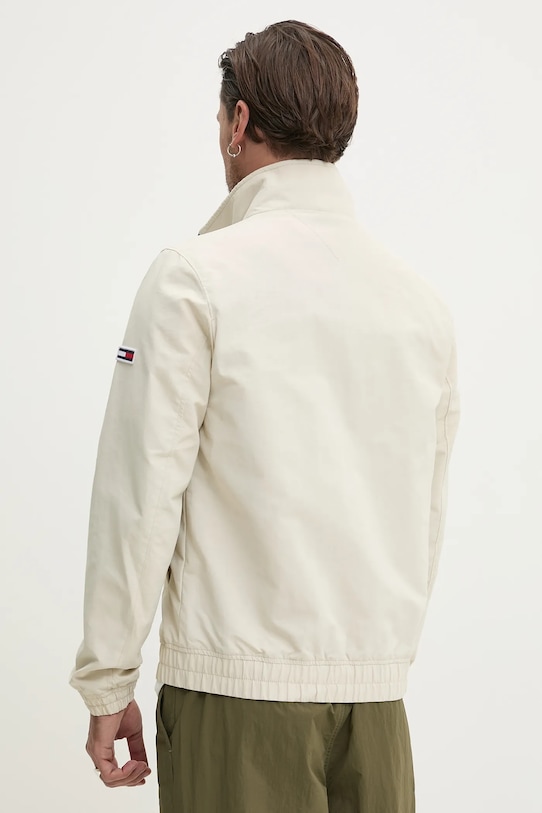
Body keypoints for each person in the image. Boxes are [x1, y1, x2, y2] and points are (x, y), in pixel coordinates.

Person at [70, 19, 461, 813]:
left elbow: (140, 495)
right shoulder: (420, 306)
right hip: (377, 709)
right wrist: (376, 659)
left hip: (235, 697)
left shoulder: (194, 279)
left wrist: (108, 678)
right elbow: (426, 512)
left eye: (220, 118)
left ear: (239, 122)